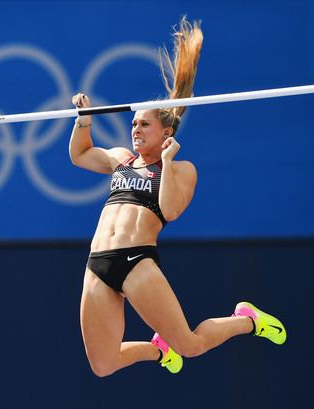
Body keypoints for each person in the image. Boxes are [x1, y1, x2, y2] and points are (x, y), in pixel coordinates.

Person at [68, 17, 286, 376]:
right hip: (97, 262)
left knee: (191, 344)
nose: (135, 129)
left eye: (144, 125)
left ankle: (246, 320)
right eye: (134, 123)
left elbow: (169, 209)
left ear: (166, 131)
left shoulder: (181, 168)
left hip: (136, 260)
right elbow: (80, 155)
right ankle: (158, 352)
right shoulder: (121, 158)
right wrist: (84, 120)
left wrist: (166, 161)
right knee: (103, 365)